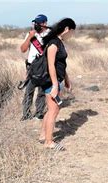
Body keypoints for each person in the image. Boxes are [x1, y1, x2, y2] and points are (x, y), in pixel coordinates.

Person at [39, 18, 76, 150]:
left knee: (51, 109)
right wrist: (55, 85)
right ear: (66, 29)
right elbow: (51, 66)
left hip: (58, 80)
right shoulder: (54, 43)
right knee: (54, 110)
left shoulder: (59, 42)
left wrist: (66, 79)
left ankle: (43, 135)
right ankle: (49, 142)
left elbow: (61, 64)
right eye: (71, 32)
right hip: (51, 81)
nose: (72, 35)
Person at [20, 14, 50, 121]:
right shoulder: (30, 34)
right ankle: (26, 114)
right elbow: (23, 49)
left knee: (42, 91)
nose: (36, 25)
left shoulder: (49, 35)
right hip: (31, 66)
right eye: (35, 23)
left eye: (39, 23)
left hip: (44, 66)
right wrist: (29, 37)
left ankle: (39, 113)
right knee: (29, 91)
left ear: (44, 23)